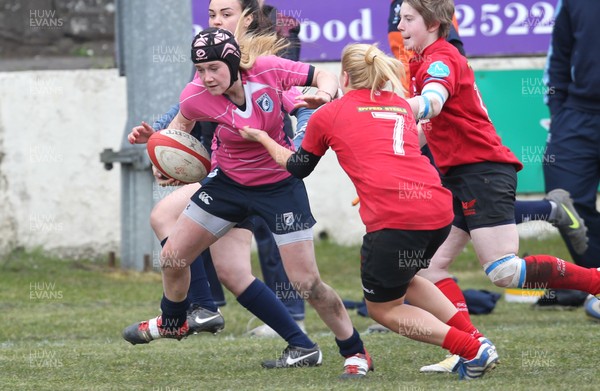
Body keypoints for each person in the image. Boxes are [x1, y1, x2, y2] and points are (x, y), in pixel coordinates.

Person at [240, 42, 499, 380]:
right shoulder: (399, 105)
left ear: (345, 76)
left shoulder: (328, 115)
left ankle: (471, 350)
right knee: (409, 279)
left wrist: (261, 137)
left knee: (383, 308)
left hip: (397, 218)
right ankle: (478, 340)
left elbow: (298, 166)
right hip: (437, 208)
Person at [125, 27, 373, 378]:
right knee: (172, 258)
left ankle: (355, 351)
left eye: (213, 68)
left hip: (280, 186)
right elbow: (180, 134)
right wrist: (163, 156)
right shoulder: (195, 94)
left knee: (307, 284)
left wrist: (324, 94)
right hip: (227, 185)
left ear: (231, 62)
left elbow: (323, 75)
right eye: (200, 70)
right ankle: (174, 320)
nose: (206, 77)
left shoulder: (269, 71)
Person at [397, 0, 600, 372]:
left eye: (408, 18)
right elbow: (428, 126)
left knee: (504, 270)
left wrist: (387, 111)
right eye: (400, 18)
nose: (400, 24)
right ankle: (470, 347)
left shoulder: (441, 57)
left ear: (433, 22)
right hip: (460, 175)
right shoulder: (422, 60)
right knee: (428, 271)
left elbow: (432, 103)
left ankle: (596, 281)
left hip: (482, 172)